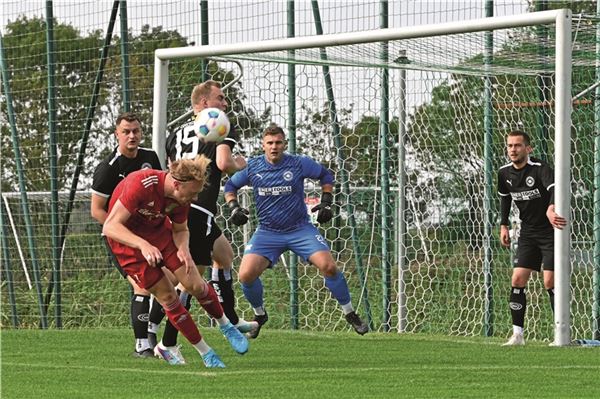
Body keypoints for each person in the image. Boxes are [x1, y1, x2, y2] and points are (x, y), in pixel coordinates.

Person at [102, 155, 249, 368]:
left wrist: (184, 250)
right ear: (177, 184)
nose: (196, 198)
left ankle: (226, 326)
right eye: (193, 193)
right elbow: (110, 227)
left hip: (159, 233)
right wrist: (142, 245)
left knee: (196, 285)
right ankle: (206, 353)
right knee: (169, 296)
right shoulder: (140, 184)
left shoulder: (181, 198)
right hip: (127, 244)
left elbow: (180, 230)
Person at [223, 124, 369, 338]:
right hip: (268, 232)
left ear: (285, 144)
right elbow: (230, 187)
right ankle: (260, 315)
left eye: (278, 142)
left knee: (328, 266)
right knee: (245, 275)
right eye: (270, 143)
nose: (274, 147)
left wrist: (327, 202)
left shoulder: (298, 163)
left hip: (300, 229)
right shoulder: (253, 167)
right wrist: (234, 207)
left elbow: (326, 176)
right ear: (263, 145)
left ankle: (350, 313)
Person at [152, 80, 256, 359]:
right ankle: (167, 343)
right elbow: (224, 164)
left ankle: (231, 319)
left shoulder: (176, 133)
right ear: (203, 104)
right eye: (220, 98)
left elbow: (170, 169)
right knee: (190, 278)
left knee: (223, 254)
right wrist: (241, 164)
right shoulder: (218, 123)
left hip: (180, 204)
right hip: (198, 209)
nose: (225, 104)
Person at [91, 112, 162, 358]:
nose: (132, 136)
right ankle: (141, 346)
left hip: (150, 232)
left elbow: (159, 192)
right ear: (117, 135)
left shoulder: (150, 157)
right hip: (120, 238)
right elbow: (97, 210)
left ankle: (152, 329)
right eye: (126, 132)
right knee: (141, 284)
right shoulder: (108, 169)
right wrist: (126, 232)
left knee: (175, 279)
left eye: (136, 131)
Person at [497, 129, 566, 346]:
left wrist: (551, 208)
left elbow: (556, 188)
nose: (513, 150)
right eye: (509, 146)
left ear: (528, 148)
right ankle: (517, 335)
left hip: (551, 231)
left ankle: (560, 333)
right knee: (517, 279)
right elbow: (505, 198)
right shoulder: (504, 173)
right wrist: (503, 225)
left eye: (517, 145)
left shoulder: (541, 169)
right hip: (527, 233)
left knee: (549, 281)